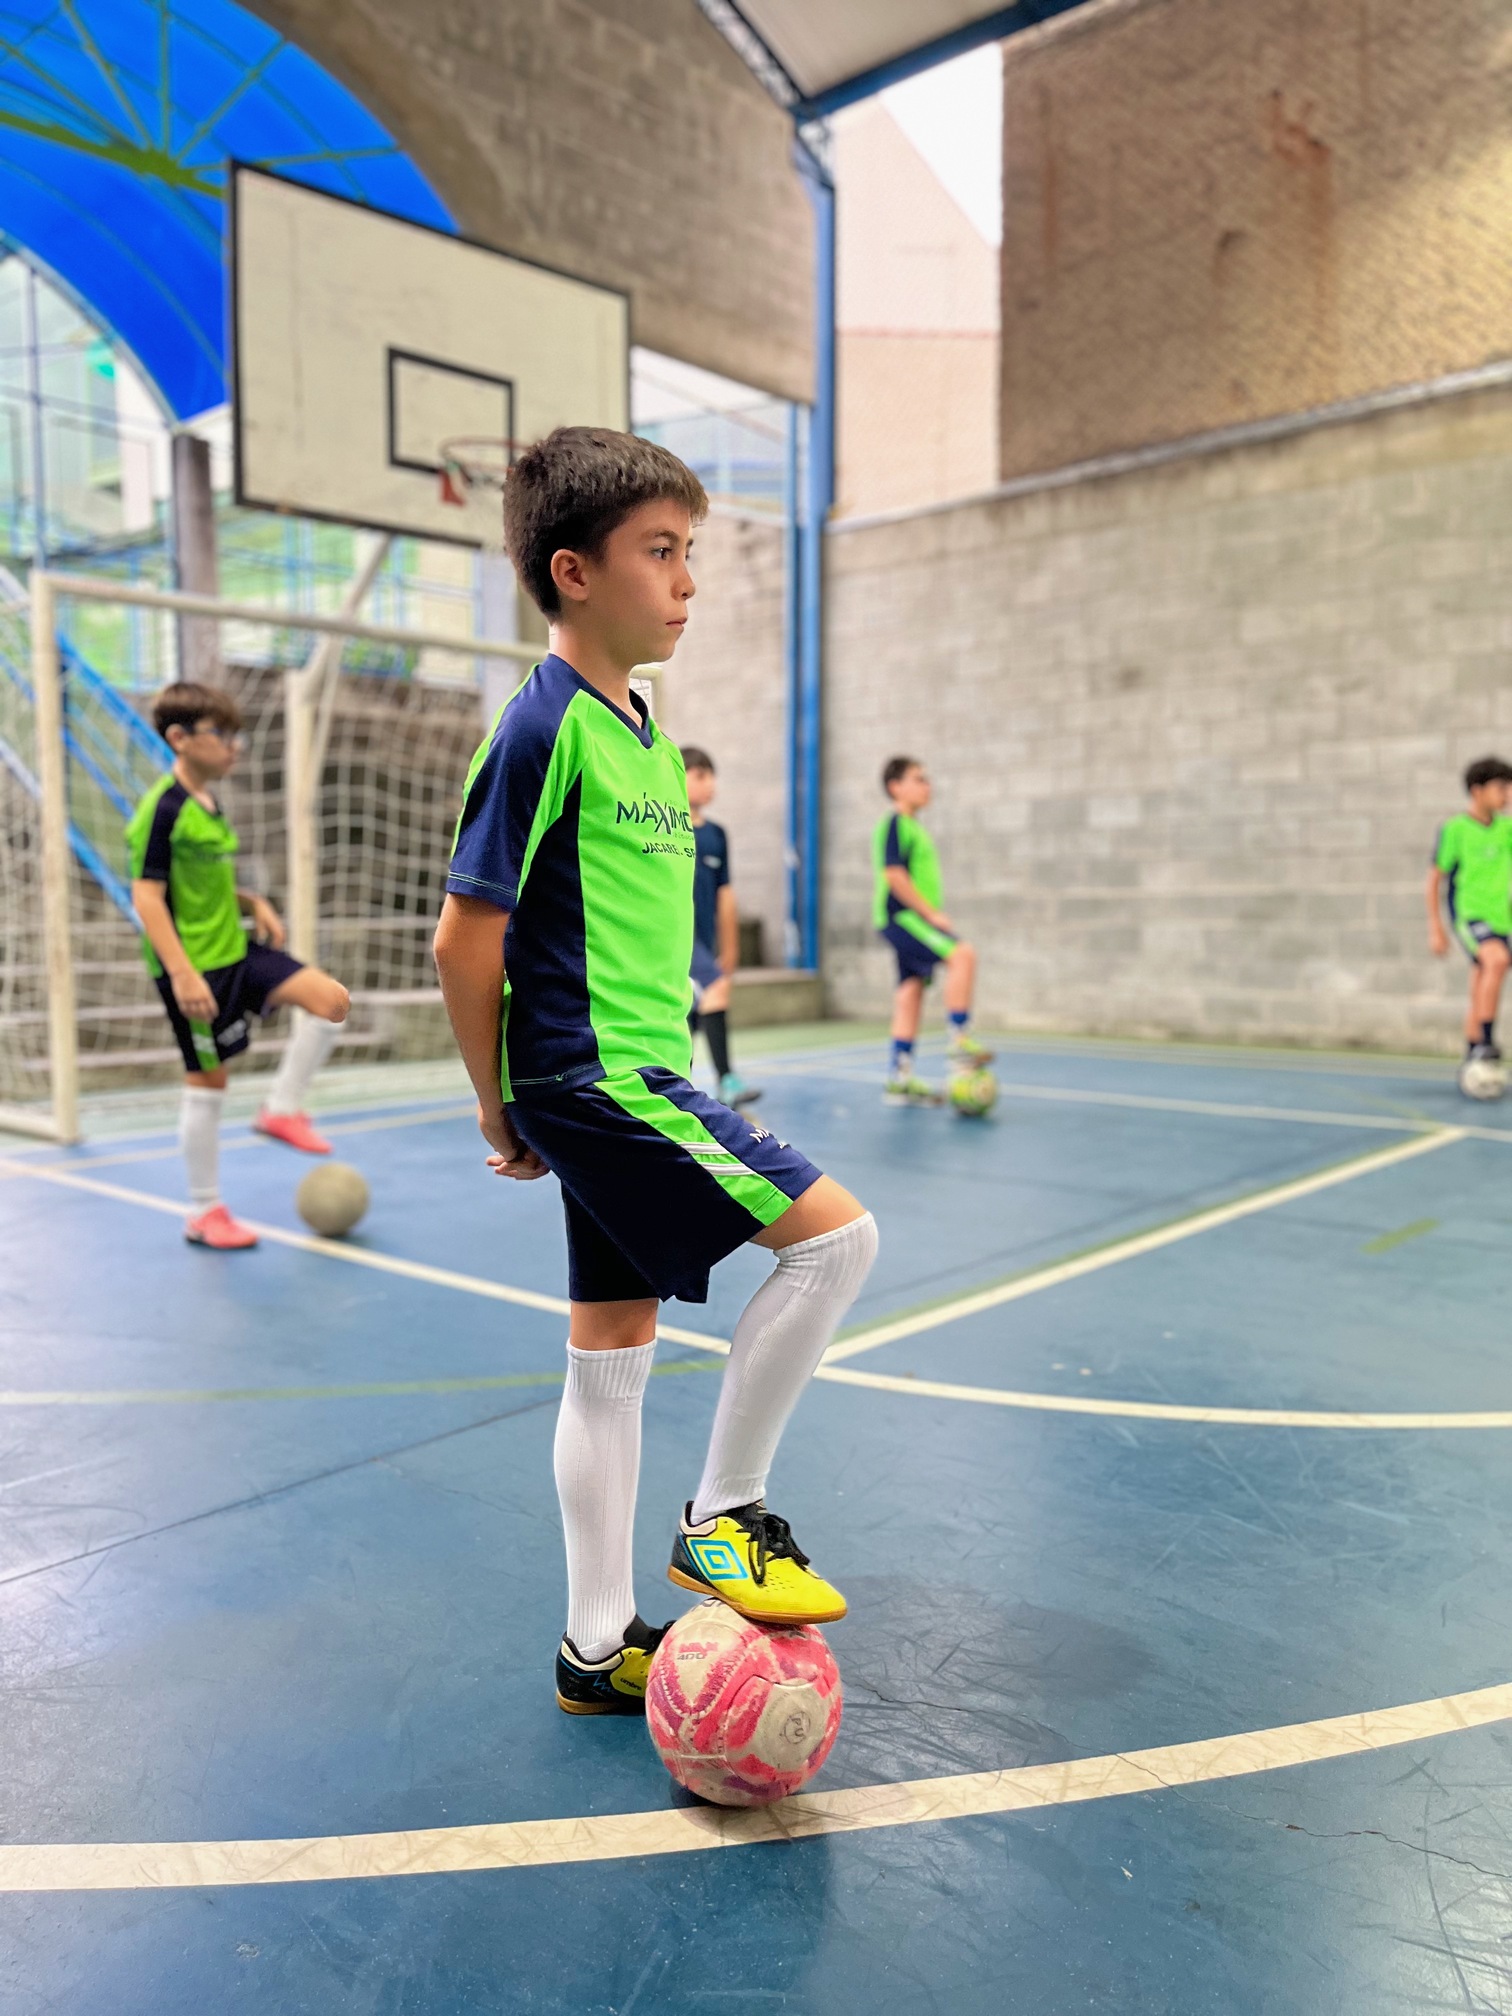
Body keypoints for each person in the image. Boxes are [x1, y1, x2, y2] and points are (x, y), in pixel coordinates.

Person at [433, 427, 876, 1718]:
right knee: (837, 1246)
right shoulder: (538, 729)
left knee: (609, 1354)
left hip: (626, 1069)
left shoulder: (641, 727)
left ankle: (593, 1644)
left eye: (692, 553)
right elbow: (469, 931)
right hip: (594, 1076)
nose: (688, 582)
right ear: (575, 572)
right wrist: (495, 1098)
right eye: (662, 553)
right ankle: (724, 1516)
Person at [127, 681, 351, 1250]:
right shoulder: (163, 810)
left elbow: (201, 884)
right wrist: (182, 975)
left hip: (237, 949)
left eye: (236, 735)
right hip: (194, 968)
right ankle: (204, 1212)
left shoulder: (209, 803)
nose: (235, 746)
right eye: (221, 735)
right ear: (179, 739)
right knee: (209, 1082)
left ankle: (281, 1107)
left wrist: (252, 903)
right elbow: (149, 896)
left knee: (332, 1004)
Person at [873, 755, 992, 1104]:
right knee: (963, 955)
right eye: (918, 779)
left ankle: (899, 1078)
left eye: (927, 779)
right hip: (904, 917)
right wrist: (931, 914)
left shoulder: (914, 827)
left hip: (910, 919)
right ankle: (960, 1043)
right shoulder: (895, 823)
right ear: (896, 786)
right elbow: (893, 876)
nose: (927, 785)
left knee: (910, 991)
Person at [680, 744, 761, 1108]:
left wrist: (729, 948)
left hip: (706, 942)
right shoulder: (668, 828)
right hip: (678, 940)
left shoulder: (717, 834)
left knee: (692, 1016)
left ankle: (677, 1086)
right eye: (700, 775)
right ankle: (727, 1080)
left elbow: (726, 896)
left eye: (712, 775)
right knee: (714, 988)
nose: (709, 783)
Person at [1427, 755, 1512, 1066]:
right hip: (1470, 915)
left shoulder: (1506, 828)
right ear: (1477, 791)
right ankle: (1486, 1043)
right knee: (1497, 960)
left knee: (1483, 979)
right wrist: (1435, 927)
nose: (1507, 794)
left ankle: (1472, 1053)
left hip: (1502, 917)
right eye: (1501, 787)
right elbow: (1434, 879)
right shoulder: (1456, 829)